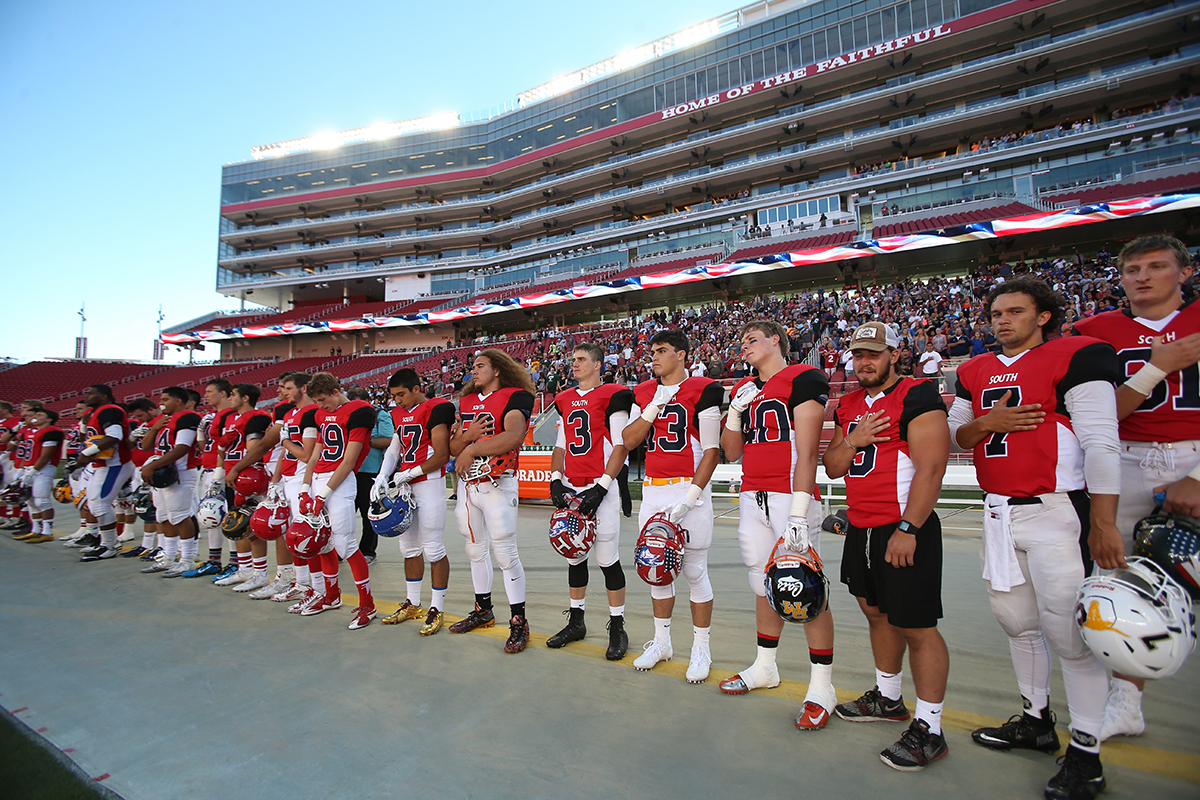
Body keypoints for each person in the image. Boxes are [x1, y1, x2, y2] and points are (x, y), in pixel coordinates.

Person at [949, 277, 1125, 800]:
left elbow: (1100, 440)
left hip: (1058, 510)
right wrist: (989, 421)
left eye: (1016, 311)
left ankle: (1087, 753)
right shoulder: (974, 370)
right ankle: (1036, 719)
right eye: (997, 312)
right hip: (999, 512)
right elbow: (962, 436)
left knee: (1070, 636)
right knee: (1017, 623)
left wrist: (1104, 520)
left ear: (1043, 315)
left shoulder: (1075, 357)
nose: (1002, 320)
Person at [1072, 234, 1200, 741]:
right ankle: (1126, 703)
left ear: (1185, 272)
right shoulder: (1096, 331)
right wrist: (1157, 369)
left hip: (1194, 452)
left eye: (1157, 266)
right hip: (1123, 458)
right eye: (1133, 270)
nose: (1143, 277)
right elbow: (1102, 416)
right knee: (1127, 584)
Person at [823, 322, 951, 771]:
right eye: (858, 355)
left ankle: (930, 728)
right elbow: (835, 466)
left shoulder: (916, 394)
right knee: (874, 613)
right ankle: (889, 697)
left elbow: (932, 468)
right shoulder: (849, 404)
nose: (864, 362)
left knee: (916, 626)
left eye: (874, 354)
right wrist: (854, 439)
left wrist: (910, 528)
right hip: (860, 527)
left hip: (902, 526)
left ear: (895, 354)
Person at [718, 320, 839, 729]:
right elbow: (730, 452)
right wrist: (736, 410)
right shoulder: (744, 389)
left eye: (752, 338)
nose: (744, 345)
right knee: (762, 582)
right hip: (752, 495)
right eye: (742, 339)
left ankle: (822, 686)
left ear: (777, 341)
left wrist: (799, 512)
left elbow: (808, 452)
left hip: (791, 495)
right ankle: (765, 666)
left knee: (807, 585)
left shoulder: (803, 376)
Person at [622, 331, 723, 683]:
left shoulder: (703, 388)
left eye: (662, 351)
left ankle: (701, 647)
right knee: (655, 569)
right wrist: (654, 406)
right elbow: (629, 440)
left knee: (694, 570)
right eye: (652, 351)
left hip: (687, 488)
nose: (654, 357)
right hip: (653, 490)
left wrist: (691, 497)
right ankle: (662, 642)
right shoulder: (645, 391)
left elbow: (712, 451)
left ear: (682, 355)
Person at [548, 343, 634, 659]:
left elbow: (620, 447)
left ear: (598, 365)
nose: (575, 364)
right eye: (573, 360)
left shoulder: (612, 395)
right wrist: (556, 479)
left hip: (602, 487)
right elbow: (561, 445)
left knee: (607, 558)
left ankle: (617, 626)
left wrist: (603, 487)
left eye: (582, 359)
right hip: (572, 486)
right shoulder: (565, 399)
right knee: (575, 556)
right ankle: (577, 621)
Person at [447, 349, 536, 653]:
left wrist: (472, 449)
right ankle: (483, 609)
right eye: (472, 366)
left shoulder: (515, 396)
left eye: (481, 366)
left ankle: (519, 620)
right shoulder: (468, 402)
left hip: (498, 483)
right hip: (470, 486)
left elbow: (514, 435)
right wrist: (467, 436)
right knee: (474, 550)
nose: (474, 370)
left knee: (505, 553)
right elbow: (454, 446)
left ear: (497, 369)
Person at [374, 368, 455, 635]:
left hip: (429, 483)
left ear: (417, 389)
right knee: (408, 547)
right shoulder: (397, 413)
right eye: (394, 396)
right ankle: (413, 603)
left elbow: (442, 454)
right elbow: (395, 448)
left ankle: (436, 606)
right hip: (406, 486)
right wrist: (382, 476)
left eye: (401, 394)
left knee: (433, 547)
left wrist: (412, 472)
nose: (397, 401)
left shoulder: (436, 408)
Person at [299, 372, 379, 629]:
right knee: (322, 542)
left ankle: (368, 604)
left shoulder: (358, 411)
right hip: (318, 479)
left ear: (336, 391)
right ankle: (331, 596)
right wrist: (305, 488)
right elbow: (314, 455)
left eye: (323, 399)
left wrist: (323, 495)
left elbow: (348, 461)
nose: (321, 406)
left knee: (345, 543)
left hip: (341, 482)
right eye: (316, 401)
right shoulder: (321, 415)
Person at [269, 373, 322, 607]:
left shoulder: (311, 413)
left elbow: (306, 454)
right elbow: (285, 452)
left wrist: (285, 442)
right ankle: (300, 584)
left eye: (288, 388)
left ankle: (315, 587)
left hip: (303, 476)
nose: (285, 392)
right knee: (293, 535)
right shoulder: (290, 413)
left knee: (305, 534)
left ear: (303, 388)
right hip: (289, 476)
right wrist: (275, 480)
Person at [214, 384, 271, 589]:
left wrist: (236, 469)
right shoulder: (230, 418)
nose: (229, 398)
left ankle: (260, 572)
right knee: (236, 522)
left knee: (249, 523)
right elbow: (223, 450)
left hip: (247, 475)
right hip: (232, 473)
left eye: (233, 395)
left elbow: (254, 450)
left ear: (245, 398)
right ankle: (245, 569)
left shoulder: (256, 417)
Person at [140, 387, 201, 577]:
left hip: (181, 472)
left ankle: (187, 560)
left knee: (180, 516)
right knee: (164, 516)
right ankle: (169, 556)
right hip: (162, 472)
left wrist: (152, 466)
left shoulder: (187, 417)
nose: (162, 403)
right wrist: (155, 428)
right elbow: (145, 446)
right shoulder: (164, 421)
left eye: (166, 399)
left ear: (178, 401)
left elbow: (182, 448)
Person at [73, 385, 135, 561]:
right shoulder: (95, 413)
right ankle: (107, 542)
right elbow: (84, 439)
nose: (87, 395)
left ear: (104, 396)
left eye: (91, 393)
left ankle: (109, 546)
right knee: (93, 504)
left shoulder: (110, 410)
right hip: (103, 463)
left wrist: (86, 453)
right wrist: (84, 424)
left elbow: (114, 436)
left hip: (115, 463)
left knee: (100, 504)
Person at [186, 379, 236, 578]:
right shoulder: (211, 416)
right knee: (210, 517)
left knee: (229, 518)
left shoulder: (231, 415)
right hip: (208, 470)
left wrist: (220, 472)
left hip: (222, 471)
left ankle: (234, 562)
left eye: (210, 391)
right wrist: (201, 431)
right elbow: (204, 448)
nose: (206, 395)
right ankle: (214, 560)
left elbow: (227, 447)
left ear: (223, 393)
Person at [348, 387, 394, 565]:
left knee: (369, 515)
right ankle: (341, 549)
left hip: (370, 471)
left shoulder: (380, 416)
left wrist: (363, 440)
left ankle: (367, 551)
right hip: (350, 471)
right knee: (345, 513)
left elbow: (390, 440)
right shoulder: (348, 417)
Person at [16, 408, 63, 544]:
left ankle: (47, 532)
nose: (35, 417)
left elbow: (45, 455)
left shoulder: (52, 431)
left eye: (40, 415)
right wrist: (21, 470)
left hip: (43, 468)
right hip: (29, 467)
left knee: (41, 500)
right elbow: (25, 453)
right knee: (30, 501)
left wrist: (32, 472)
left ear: (49, 419)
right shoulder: (31, 431)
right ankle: (36, 530)